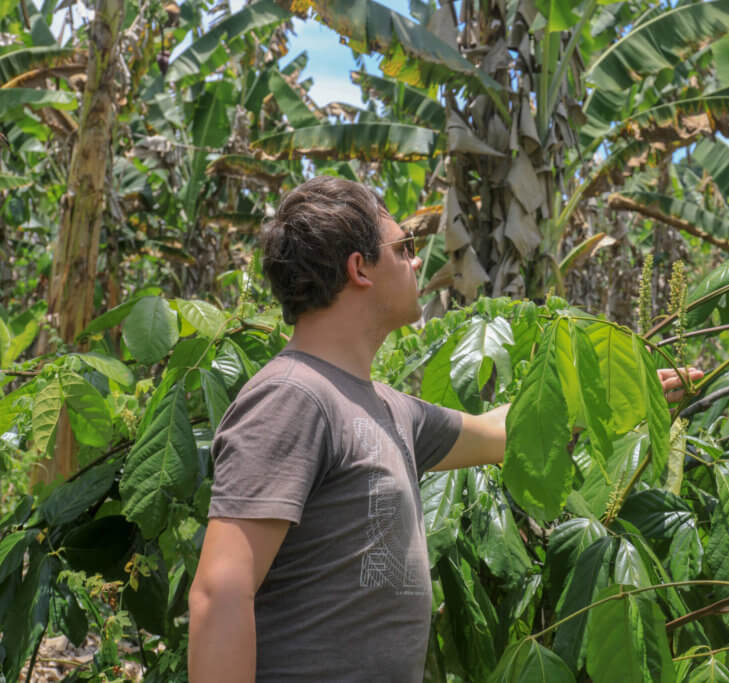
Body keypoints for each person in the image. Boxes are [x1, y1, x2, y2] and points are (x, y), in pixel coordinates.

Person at [187, 176, 702, 682]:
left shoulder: (389, 408)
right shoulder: (293, 398)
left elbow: (500, 433)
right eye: (404, 246)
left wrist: (617, 393)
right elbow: (221, 592)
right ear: (359, 268)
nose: (416, 261)